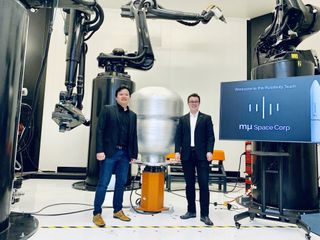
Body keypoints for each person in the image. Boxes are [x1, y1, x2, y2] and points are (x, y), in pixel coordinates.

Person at [92, 85, 138, 227]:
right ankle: (97, 213)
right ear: (116, 97)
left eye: (126, 94)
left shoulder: (133, 115)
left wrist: (133, 154)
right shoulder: (108, 110)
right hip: (109, 153)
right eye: (121, 94)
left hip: (125, 154)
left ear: (129, 97)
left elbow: (133, 136)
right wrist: (99, 150)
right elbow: (99, 131)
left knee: (121, 183)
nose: (124, 96)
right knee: (103, 183)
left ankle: (117, 210)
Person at [174, 93, 215, 226]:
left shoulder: (206, 118)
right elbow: (178, 137)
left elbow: (210, 137)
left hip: (202, 156)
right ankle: (191, 211)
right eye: (191, 101)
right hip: (187, 155)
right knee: (189, 184)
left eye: (196, 101)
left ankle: (205, 215)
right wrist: (176, 152)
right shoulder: (183, 119)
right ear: (188, 103)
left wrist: (209, 151)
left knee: (204, 185)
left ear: (199, 103)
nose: (194, 103)